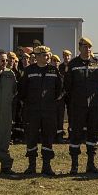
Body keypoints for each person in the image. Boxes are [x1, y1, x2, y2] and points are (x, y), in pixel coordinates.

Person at [64, 37, 98, 174]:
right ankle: (74, 165)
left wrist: (95, 96)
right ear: (79, 48)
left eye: (89, 47)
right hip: (78, 105)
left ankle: (91, 164)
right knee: (76, 134)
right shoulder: (73, 64)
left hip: (94, 105)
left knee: (93, 134)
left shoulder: (97, 63)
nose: (87, 49)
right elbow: (68, 85)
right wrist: (76, 98)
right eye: (85, 46)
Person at [19, 46, 63, 176]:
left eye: (48, 54)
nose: (47, 57)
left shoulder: (54, 70)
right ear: (37, 57)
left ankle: (46, 166)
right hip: (32, 111)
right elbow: (22, 89)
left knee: (48, 137)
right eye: (44, 55)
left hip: (49, 110)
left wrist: (51, 102)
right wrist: (29, 103)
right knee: (31, 137)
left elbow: (59, 89)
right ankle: (31, 166)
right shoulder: (29, 70)